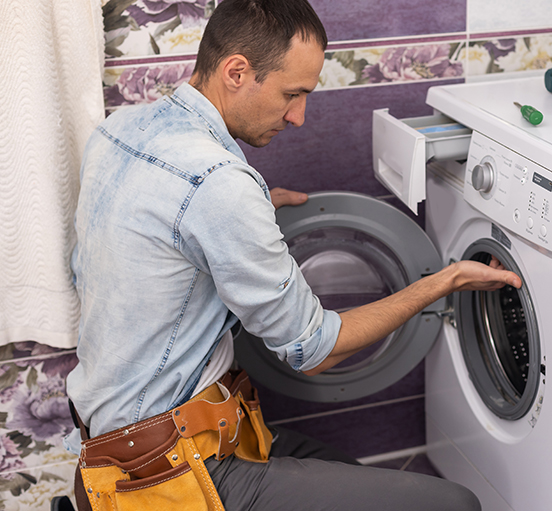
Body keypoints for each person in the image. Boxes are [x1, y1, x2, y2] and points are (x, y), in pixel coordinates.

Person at [65, 0, 522, 509]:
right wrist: (442, 282)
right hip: (169, 475)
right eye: (292, 94)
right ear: (236, 71)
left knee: (356, 477)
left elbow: (123, 255)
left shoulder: (120, 129)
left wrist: (248, 209)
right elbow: (315, 352)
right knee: (454, 505)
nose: (299, 117)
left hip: (118, 448)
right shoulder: (217, 184)